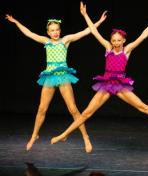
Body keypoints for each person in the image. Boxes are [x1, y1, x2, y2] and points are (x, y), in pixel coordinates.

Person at [50, 2, 148, 147]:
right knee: (86, 113)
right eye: (113, 40)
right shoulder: (108, 47)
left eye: (118, 40)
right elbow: (94, 32)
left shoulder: (126, 50)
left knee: (143, 107)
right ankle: (63, 135)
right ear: (111, 40)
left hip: (121, 84)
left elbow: (143, 37)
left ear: (123, 41)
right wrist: (85, 15)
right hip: (106, 83)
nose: (115, 43)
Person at [5, 10, 107, 153]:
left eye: (57, 30)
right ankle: (34, 135)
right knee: (42, 108)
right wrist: (16, 22)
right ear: (48, 32)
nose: (55, 33)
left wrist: (99, 22)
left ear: (60, 30)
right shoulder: (45, 41)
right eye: (52, 30)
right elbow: (29, 33)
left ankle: (86, 137)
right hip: (49, 77)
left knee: (73, 109)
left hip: (64, 76)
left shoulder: (65, 40)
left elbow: (86, 31)